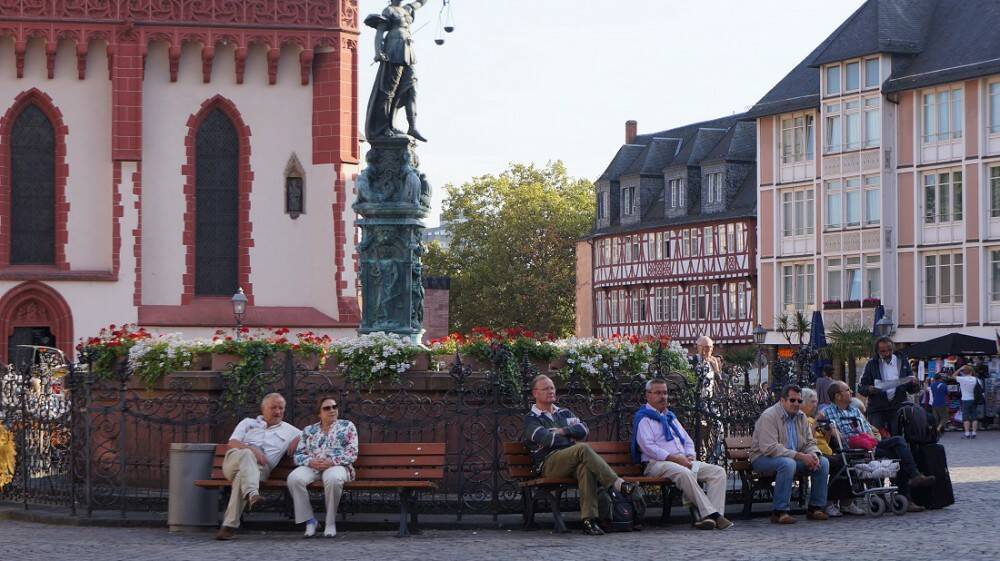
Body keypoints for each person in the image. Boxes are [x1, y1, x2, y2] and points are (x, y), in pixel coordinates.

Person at [523, 374, 637, 536]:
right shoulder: (531, 419)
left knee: (585, 468)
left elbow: (583, 430)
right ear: (535, 393)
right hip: (549, 463)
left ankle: (589, 521)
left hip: (574, 461)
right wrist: (570, 438)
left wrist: (563, 431)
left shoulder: (564, 413)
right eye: (546, 388)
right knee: (582, 448)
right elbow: (548, 439)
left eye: (552, 388)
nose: (551, 391)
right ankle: (617, 484)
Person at [819, 381, 934, 512]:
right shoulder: (827, 412)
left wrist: (872, 438)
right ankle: (913, 478)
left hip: (868, 444)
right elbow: (823, 426)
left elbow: (868, 430)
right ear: (838, 396)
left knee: (899, 445)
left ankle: (910, 487)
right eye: (847, 390)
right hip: (852, 449)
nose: (851, 392)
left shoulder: (855, 410)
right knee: (897, 449)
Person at [632, 379, 732, 530]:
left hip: (683, 462)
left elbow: (688, 441)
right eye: (658, 393)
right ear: (648, 396)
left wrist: (690, 456)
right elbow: (648, 447)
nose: (663, 396)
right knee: (685, 473)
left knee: (717, 472)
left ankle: (711, 517)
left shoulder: (670, 417)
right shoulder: (644, 419)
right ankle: (714, 516)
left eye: (665, 393)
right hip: (657, 464)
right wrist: (675, 459)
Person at [216, 393, 301, 540]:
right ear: (263, 409)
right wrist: (252, 450)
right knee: (247, 454)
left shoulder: (290, 431)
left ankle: (228, 526)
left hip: (260, 470)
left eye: (281, 408)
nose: (278, 411)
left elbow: (313, 434)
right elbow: (233, 443)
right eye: (273, 407)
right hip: (234, 461)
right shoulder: (248, 423)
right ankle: (252, 493)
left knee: (241, 477)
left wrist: (299, 437)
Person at [749, 384, 830, 524]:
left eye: (799, 401)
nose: (796, 404)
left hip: (792, 458)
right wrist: (800, 456)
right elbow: (770, 448)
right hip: (763, 458)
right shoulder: (769, 416)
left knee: (822, 462)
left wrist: (814, 454)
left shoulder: (801, 417)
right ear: (782, 401)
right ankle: (779, 511)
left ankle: (816, 508)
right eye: (792, 400)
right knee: (787, 463)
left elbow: (809, 442)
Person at [287, 396, 359, 538]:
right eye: (327, 408)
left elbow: (352, 453)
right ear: (319, 413)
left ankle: (330, 523)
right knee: (294, 478)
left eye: (334, 407)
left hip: (338, 465)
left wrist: (331, 461)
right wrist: (311, 461)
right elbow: (298, 455)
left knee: (333, 478)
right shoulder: (308, 430)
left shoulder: (347, 426)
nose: (332, 410)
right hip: (313, 466)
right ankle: (310, 521)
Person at [365, 0, 428, 141]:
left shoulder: (407, 9)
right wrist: (378, 52)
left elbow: (421, 2)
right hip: (394, 50)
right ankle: (384, 127)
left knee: (411, 88)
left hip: (408, 52)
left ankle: (412, 127)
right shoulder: (389, 11)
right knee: (388, 91)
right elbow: (379, 33)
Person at [800, 388, 863, 517]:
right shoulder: (802, 419)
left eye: (816, 402)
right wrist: (816, 423)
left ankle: (846, 501)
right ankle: (829, 502)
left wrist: (828, 432)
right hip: (812, 453)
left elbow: (825, 442)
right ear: (803, 403)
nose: (815, 405)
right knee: (840, 462)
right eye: (812, 402)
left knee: (847, 459)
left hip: (825, 452)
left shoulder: (811, 419)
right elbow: (807, 441)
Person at [859, 337, 919, 435]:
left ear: (893, 349)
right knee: (877, 437)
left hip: (897, 407)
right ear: (877, 351)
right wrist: (870, 389)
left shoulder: (902, 362)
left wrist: (915, 384)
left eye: (889, 350)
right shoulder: (871, 364)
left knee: (897, 436)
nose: (887, 353)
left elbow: (911, 389)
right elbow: (861, 388)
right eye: (883, 351)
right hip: (877, 408)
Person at [954, 365, 982, 439]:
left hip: (965, 400)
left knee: (966, 417)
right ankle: (974, 433)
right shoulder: (977, 379)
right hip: (974, 400)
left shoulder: (962, 379)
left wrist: (960, 368)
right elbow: (981, 390)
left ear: (964, 372)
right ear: (971, 371)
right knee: (974, 417)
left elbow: (953, 376)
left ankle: (966, 433)